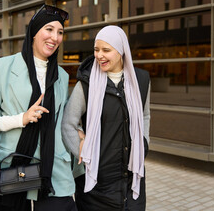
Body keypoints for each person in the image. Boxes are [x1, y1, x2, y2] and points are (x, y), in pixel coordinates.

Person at [0, 4, 77, 211]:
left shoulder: (61, 76)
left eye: (60, 32)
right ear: (34, 32)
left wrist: (79, 137)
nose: (55, 37)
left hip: (53, 168)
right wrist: (21, 119)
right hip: (13, 167)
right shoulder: (2, 68)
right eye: (49, 29)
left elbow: (62, 123)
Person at [62, 25, 151, 211]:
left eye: (106, 50)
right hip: (97, 183)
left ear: (120, 51)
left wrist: (144, 143)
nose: (99, 55)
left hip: (132, 178)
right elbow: (68, 123)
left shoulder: (141, 80)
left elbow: (145, 115)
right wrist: (82, 153)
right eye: (96, 50)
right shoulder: (86, 84)